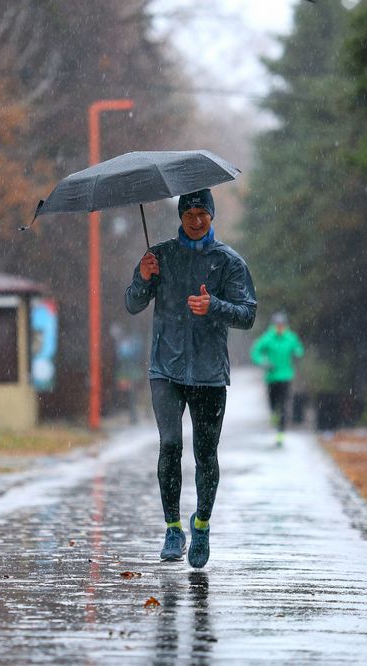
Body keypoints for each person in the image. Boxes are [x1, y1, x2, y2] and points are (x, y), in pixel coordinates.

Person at [125, 188, 256, 568]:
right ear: (180, 216)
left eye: (203, 212)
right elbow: (133, 304)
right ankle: (172, 529)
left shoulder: (229, 262)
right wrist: (143, 277)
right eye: (189, 213)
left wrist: (213, 306)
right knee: (169, 445)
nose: (196, 219)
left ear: (212, 216)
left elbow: (248, 314)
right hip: (165, 369)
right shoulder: (160, 256)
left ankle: (201, 526)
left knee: (204, 454)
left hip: (209, 373)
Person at [250, 311, 304, 447]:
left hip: (286, 376)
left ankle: (281, 433)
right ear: (273, 325)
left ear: (285, 325)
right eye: (277, 324)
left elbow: (299, 349)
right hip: (271, 377)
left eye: (282, 324)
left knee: (284, 404)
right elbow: (255, 352)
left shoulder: (291, 338)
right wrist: (263, 361)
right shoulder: (267, 338)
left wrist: (297, 353)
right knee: (273, 403)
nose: (280, 327)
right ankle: (274, 413)